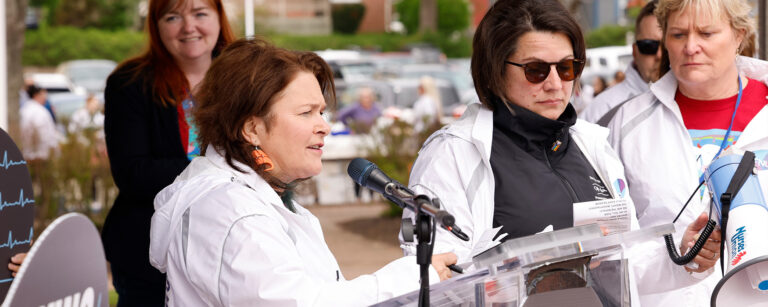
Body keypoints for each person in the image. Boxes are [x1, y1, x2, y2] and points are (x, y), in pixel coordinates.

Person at [401, 0, 720, 301]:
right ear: (496, 70)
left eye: (567, 68)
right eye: (536, 70)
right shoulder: (455, 154)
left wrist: (685, 253)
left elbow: (626, 262)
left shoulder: (592, 144)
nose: (555, 84)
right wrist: (534, 275)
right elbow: (436, 279)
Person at [148, 38, 457, 306]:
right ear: (252, 129)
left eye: (321, 111)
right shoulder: (232, 213)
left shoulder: (256, 198)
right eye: (306, 112)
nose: (324, 126)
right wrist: (410, 280)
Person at [606, 0, 768, 305]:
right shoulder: (628, 124)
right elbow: (611, 247)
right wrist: (678, 257)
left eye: (706, 33)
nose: (691, 47)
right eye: (678, 34)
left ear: (739, 36)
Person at [101, 0, 234, 305]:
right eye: (173, 17)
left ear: (218, 17)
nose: (189, 27)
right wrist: (222, 169)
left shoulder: (248, 79)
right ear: (156, 25)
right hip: (148, 254)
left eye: (200, 13)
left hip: (230, 242)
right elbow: (133, 174)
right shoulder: (129, 84)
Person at [581, 0, 662, 126]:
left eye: (667, 47)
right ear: (634, 52)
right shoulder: (602, 110)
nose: (659, 55)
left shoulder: (697, 102)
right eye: (649, 46)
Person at [20, 84, 62, 222]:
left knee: (28, 189)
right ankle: (43, 218)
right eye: (44, 94)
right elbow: (44, 135)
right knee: (45, 190)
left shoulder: (24, 110)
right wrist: (52, 151)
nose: (45, 98)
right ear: (37, 95)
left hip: (28, 154)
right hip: (40, 155)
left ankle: (32, 217)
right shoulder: (39, 111)